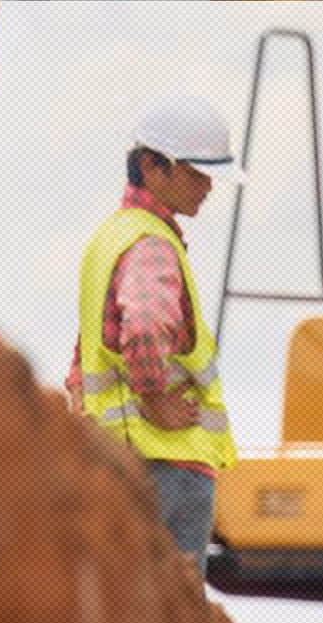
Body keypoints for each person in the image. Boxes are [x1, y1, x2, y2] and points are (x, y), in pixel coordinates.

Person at [67, 93, 244, 580]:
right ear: (152, 167)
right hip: (169, 465)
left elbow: (82, 358)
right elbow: (144, 329)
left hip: (122, 465)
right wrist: (155, 397)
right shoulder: (150, 245)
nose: (208, 186)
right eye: (195, 172)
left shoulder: (112, 237)